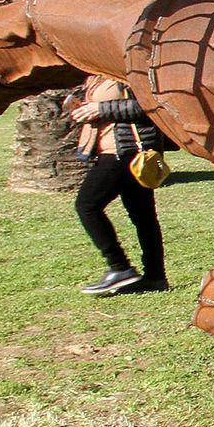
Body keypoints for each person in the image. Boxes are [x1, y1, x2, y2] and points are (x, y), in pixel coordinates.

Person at [69, 76, 168, 296]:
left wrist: (101, 109)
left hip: (126, 150)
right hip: (113, 150)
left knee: (87, 205)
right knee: (143, 216)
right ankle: (155, 277)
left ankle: (119, 267)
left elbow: (149, 106)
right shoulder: (95, 74)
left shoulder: (123, 73)